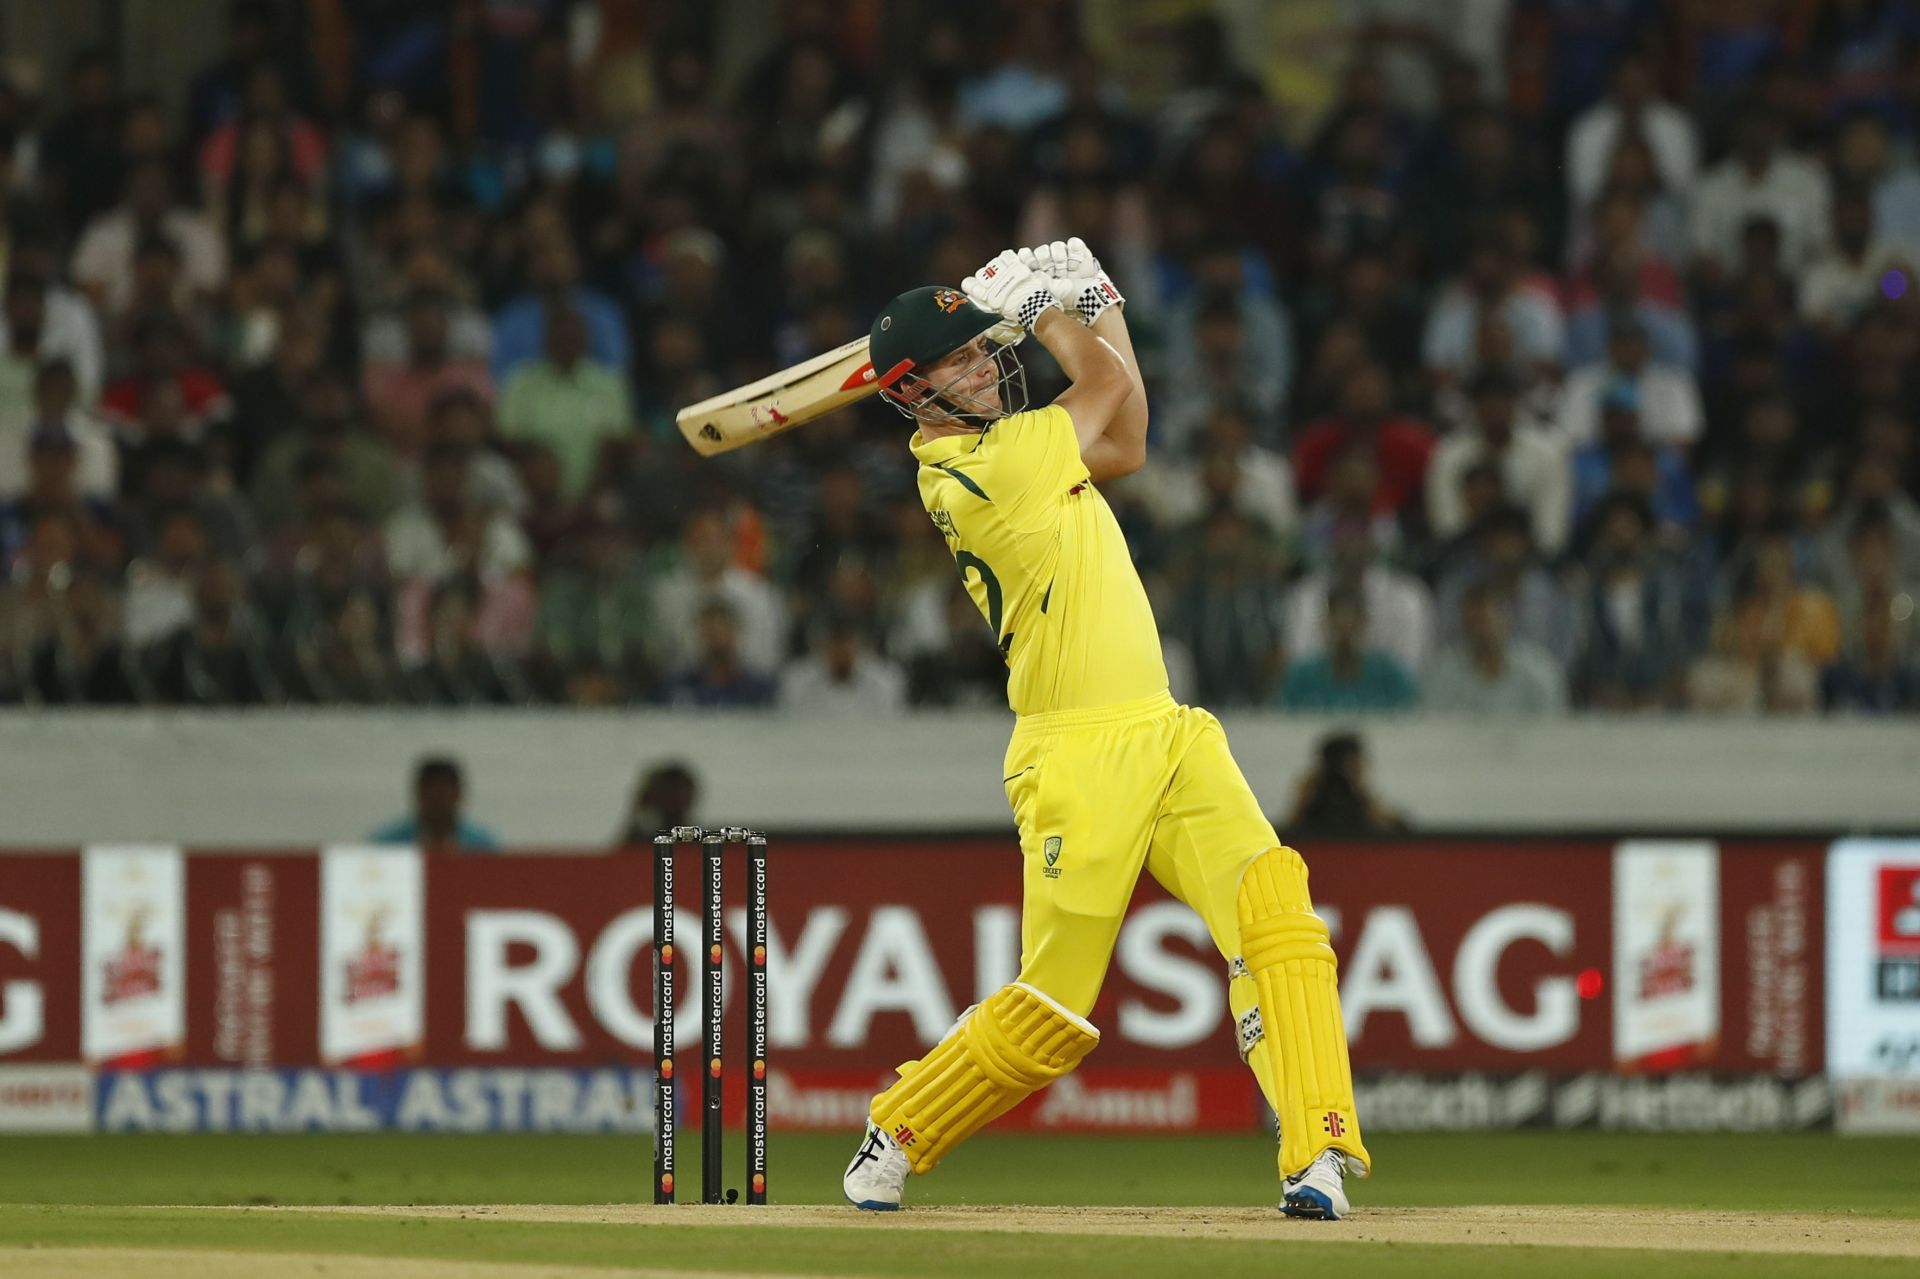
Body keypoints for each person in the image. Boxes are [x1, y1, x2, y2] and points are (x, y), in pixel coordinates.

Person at [839, 240, 1369, 1218]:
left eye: (981, 348)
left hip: (1168, 734)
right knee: (1054, 1010)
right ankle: (901, 1125)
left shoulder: (1026, 446)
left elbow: (1126, 436)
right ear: (915, 396)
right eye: (959, 360)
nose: (984, 366)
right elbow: (1105, 377)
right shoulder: (977, 469)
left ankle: (1317, 1154)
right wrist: (1054, 307)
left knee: (1280, 921)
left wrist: (1091, 292)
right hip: (1074, 754)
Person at [369, 755, 499, 852]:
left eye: (444, 792)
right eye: (431, 792)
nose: (438, 800)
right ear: (418, 793)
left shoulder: (483, 846)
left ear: (459, 794)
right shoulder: (387, 845)